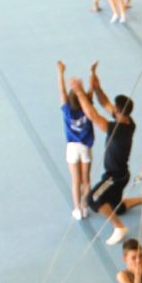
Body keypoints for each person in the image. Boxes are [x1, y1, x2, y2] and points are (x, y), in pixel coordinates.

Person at [72, 64, 136, 246]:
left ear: (118, 112)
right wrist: (96, 84)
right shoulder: (129, 122)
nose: (111, 108)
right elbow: (105, 103)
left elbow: (92, 115)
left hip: (113, 177)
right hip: (122, 174)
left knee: (94, 199)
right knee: (114, 205)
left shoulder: (117, 130)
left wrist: (79, 92)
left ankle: (119, 227)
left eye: (114, 109)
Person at [57, 60, 96, 221]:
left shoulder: (67, 110)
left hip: (72, 147)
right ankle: (86, 207)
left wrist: (61, 72)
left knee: (76, 181)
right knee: (86, 180)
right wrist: (92, 73)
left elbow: (62, 91)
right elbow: (91, 90)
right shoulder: (87, 110)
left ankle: (77, 209)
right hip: (85, 147)